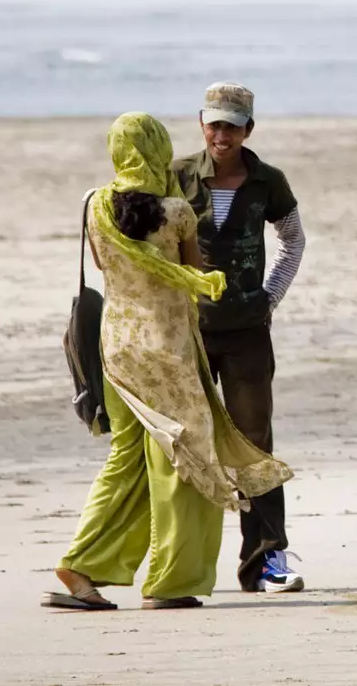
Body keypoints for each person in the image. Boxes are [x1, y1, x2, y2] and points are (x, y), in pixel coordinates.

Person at [48, 114, 291, 611]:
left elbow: (104, 265)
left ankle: (82, 565)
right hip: (168, 351)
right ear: (158, 152)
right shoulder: (177, 211)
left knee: (127, 458)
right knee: (183, 463)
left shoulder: (95, 207)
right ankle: (171, 582)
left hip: (116, 348)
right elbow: (191, 272)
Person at [173, 83, 308, 594]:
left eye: (231, 125)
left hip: (248, 334)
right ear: (201, 124)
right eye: (214, 124)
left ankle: (266, 560)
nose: (221, 134)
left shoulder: (268, 181)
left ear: (249, 128)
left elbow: (292, 241)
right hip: (187, 333)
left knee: (254, 446)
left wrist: (268, 300)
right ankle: (179, 565)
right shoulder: (178, 175)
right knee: (184, 443)